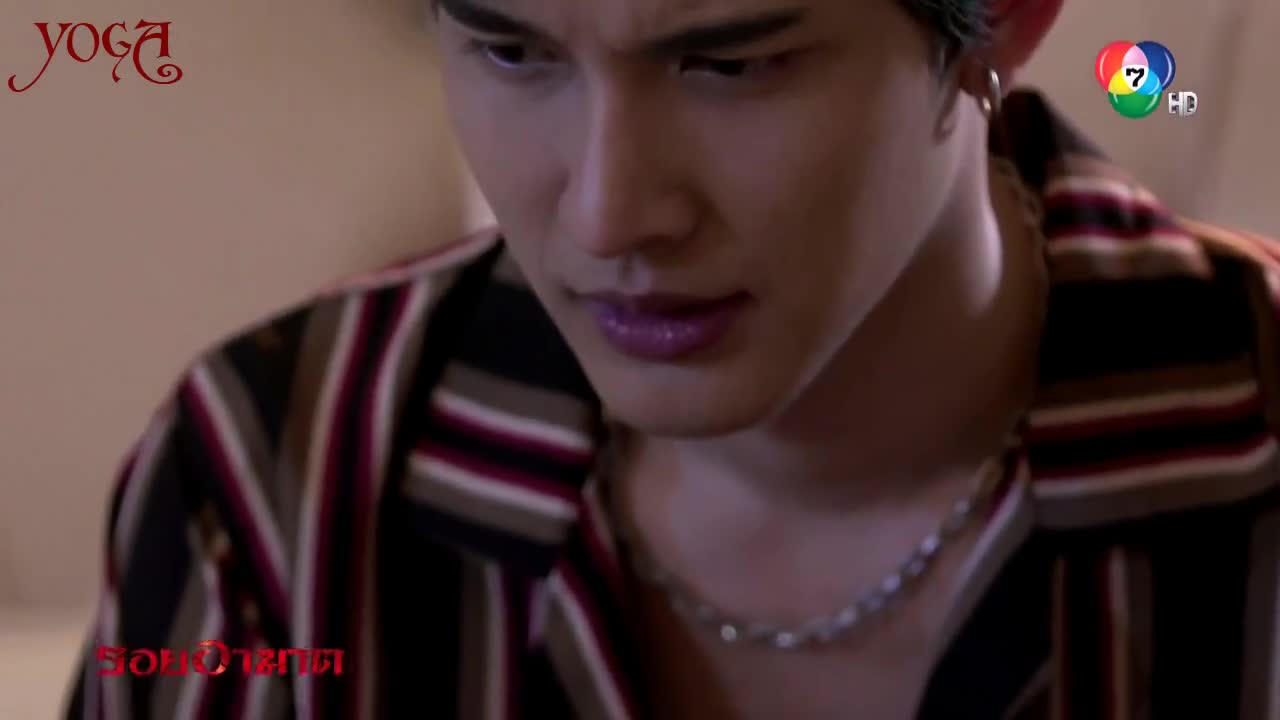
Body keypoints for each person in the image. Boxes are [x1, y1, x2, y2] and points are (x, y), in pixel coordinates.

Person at [64, 0, 1280, 717]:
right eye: (509, 51)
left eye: (728, 63)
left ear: (1000, 19)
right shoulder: (271, 485)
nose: (607, 216)